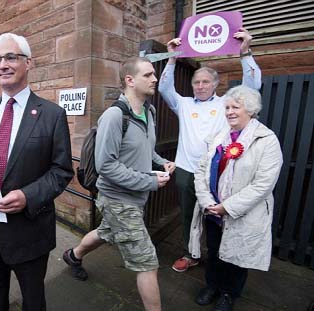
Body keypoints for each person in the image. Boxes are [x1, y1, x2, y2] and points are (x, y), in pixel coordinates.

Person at [0, 32, 73, 311]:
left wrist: (27, 196)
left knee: (33, 302)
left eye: (11, 57)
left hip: (29, 231)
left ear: (28, 63)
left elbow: (61, 171)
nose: (3, 65)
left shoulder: (52, 114)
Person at [63, 57, 175, 311]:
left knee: (107, 232)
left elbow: (146, 147)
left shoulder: (149, 111)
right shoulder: (114, 116)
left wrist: (161, 161)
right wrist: (150, 181)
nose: (154, 79)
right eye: (148, 74)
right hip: (116, 198)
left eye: (154, 75)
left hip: (136, 197)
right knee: (147, 262)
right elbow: (107, 167)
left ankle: (73, 256)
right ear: (129, 80)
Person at [158, 28, 262, 273]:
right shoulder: (183, 104)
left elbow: (253, 87)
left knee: (216, 219)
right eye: (196, 82)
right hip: (185, 170)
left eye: (206, 81)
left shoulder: (226, 104)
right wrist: (172, 57)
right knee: (187, 216)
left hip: (216, 172)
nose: (201, 85)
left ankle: (219, 258)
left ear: (216, 84)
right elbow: (163, 89)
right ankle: (190, 253)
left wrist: (245, 52)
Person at [189, 85, 283, 311]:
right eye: (227, 107)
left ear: (250, 110)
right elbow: (201, 170)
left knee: (236, 256)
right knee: (213, 250)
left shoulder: (266, 140)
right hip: (212, 210)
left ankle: (229, 294)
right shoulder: (218, 137)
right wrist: (207, 202)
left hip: (240, 213)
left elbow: (263, 184)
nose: (229, 112)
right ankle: (212, 285)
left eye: (235, 107)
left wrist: (227, 207)